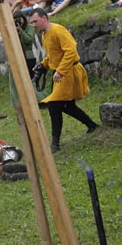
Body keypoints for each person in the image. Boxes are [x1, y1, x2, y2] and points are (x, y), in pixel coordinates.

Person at [28, 9, 99, 152]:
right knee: (67, 105)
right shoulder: (45, 34)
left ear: (44, 18)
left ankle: (55, 144)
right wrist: (43, 64)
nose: (33, 25)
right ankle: (92, 125)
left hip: (69, 72)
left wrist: (60, 71)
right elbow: (54, 55)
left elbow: (71, 51)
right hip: (61, 73)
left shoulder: (58, 30)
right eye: (32, 22)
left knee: (54, 105)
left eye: (35, 21)